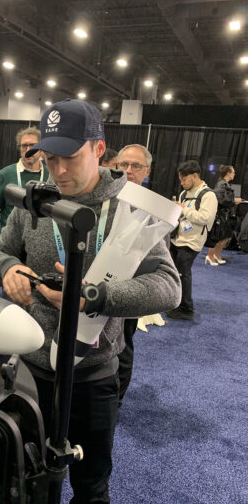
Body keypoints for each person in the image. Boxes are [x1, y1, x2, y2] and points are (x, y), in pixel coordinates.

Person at [0, 99, 181, 504]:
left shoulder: (131, 209)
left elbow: (168, 286)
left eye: (70, 156)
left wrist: (93, 295)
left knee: (91, 483)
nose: (59, 168)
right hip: (32, 369)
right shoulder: (36, 200)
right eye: (50, 157)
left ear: (99, 149)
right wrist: (7, 269)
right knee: (27, 473)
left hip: (93, 374)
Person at [115, 144, 153, 405]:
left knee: (123, 346)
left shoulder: (154, 208)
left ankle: (115, 401)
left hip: (130, 289)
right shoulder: (105, 197)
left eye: (136, 166)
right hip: (96, 283)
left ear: (147, 171)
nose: (129, 170)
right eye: (123, 165)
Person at [167, 160, 218, 320]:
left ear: (195, 176)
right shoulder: (184, 194)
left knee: (183, 274)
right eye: (180, 180)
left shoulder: (208, 195)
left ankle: (186, 309)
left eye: (184, 179)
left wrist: (184, 209)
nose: (181, 183)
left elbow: (205, 218)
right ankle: (175, 301)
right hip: (177, 238)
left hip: (192, 242)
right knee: (174, 273)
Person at [0, 126, 49, 244]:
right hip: (12, 242)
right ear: (19, 148)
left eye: (33, 145)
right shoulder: (6, 174)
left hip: (42, 242)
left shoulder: (51, 174)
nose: (28, 149)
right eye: (24, 145)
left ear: (41, 148)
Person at [206, 164, 243, 264]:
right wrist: (234, 200)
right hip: (219, 214)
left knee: (225, 236)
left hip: (224, 214)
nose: (234, 174)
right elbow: (218, 197)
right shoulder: (222, 184)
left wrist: (233, 200)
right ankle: (210, 256)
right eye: (233, 172)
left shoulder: (225, 184)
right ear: (228, 173)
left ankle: (217, 254)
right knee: (216, 236)